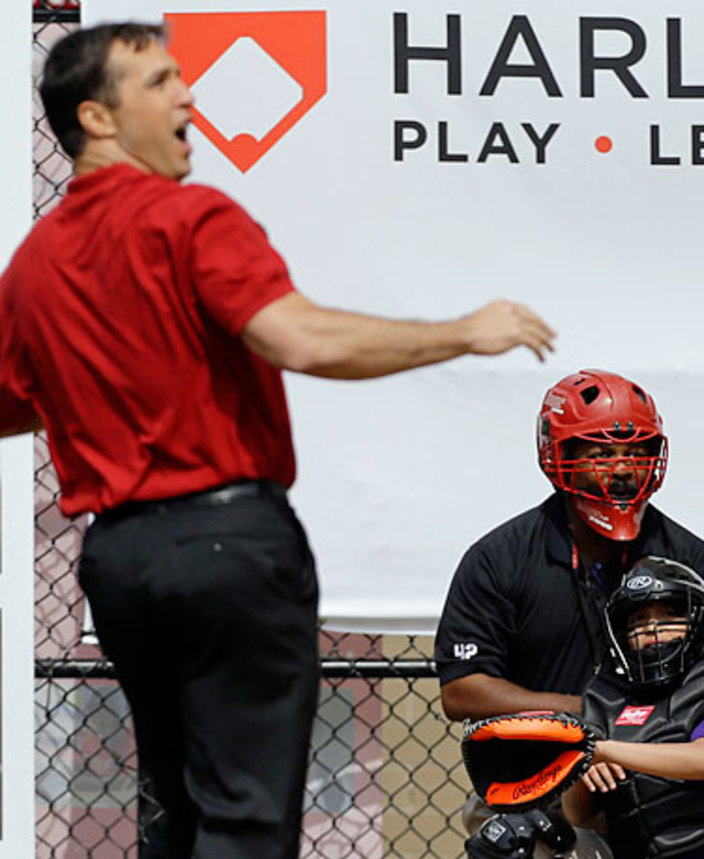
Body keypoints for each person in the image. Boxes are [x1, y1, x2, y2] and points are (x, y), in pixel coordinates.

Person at [0, 22, 556, 859]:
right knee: (245, 817)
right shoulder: (186, 217)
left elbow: (12, 404)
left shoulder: (36, 260)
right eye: (157, 82)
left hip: (118, 559)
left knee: (181, 812)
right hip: (227, 546)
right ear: (98, 118)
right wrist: (463, 332)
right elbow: (301, 340)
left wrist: (97, 380)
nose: (188, 95)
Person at [435, 369, 704, 856]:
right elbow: (462, 690)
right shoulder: (499, 557)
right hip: (533, 782)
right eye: (600, 453)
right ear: (560, 453)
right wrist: (589, 717)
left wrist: (624, 737)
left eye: (636, 452)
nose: (622, 468)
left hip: (659, 783)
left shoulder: (691, 560)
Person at [563, 556, 704, 859]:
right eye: (639, 620)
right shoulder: (610, 706)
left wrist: (606, 750)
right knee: (531, 840)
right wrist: (581, 770)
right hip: (642, 850)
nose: (653, 630)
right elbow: (577, 816)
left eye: (670, 616)